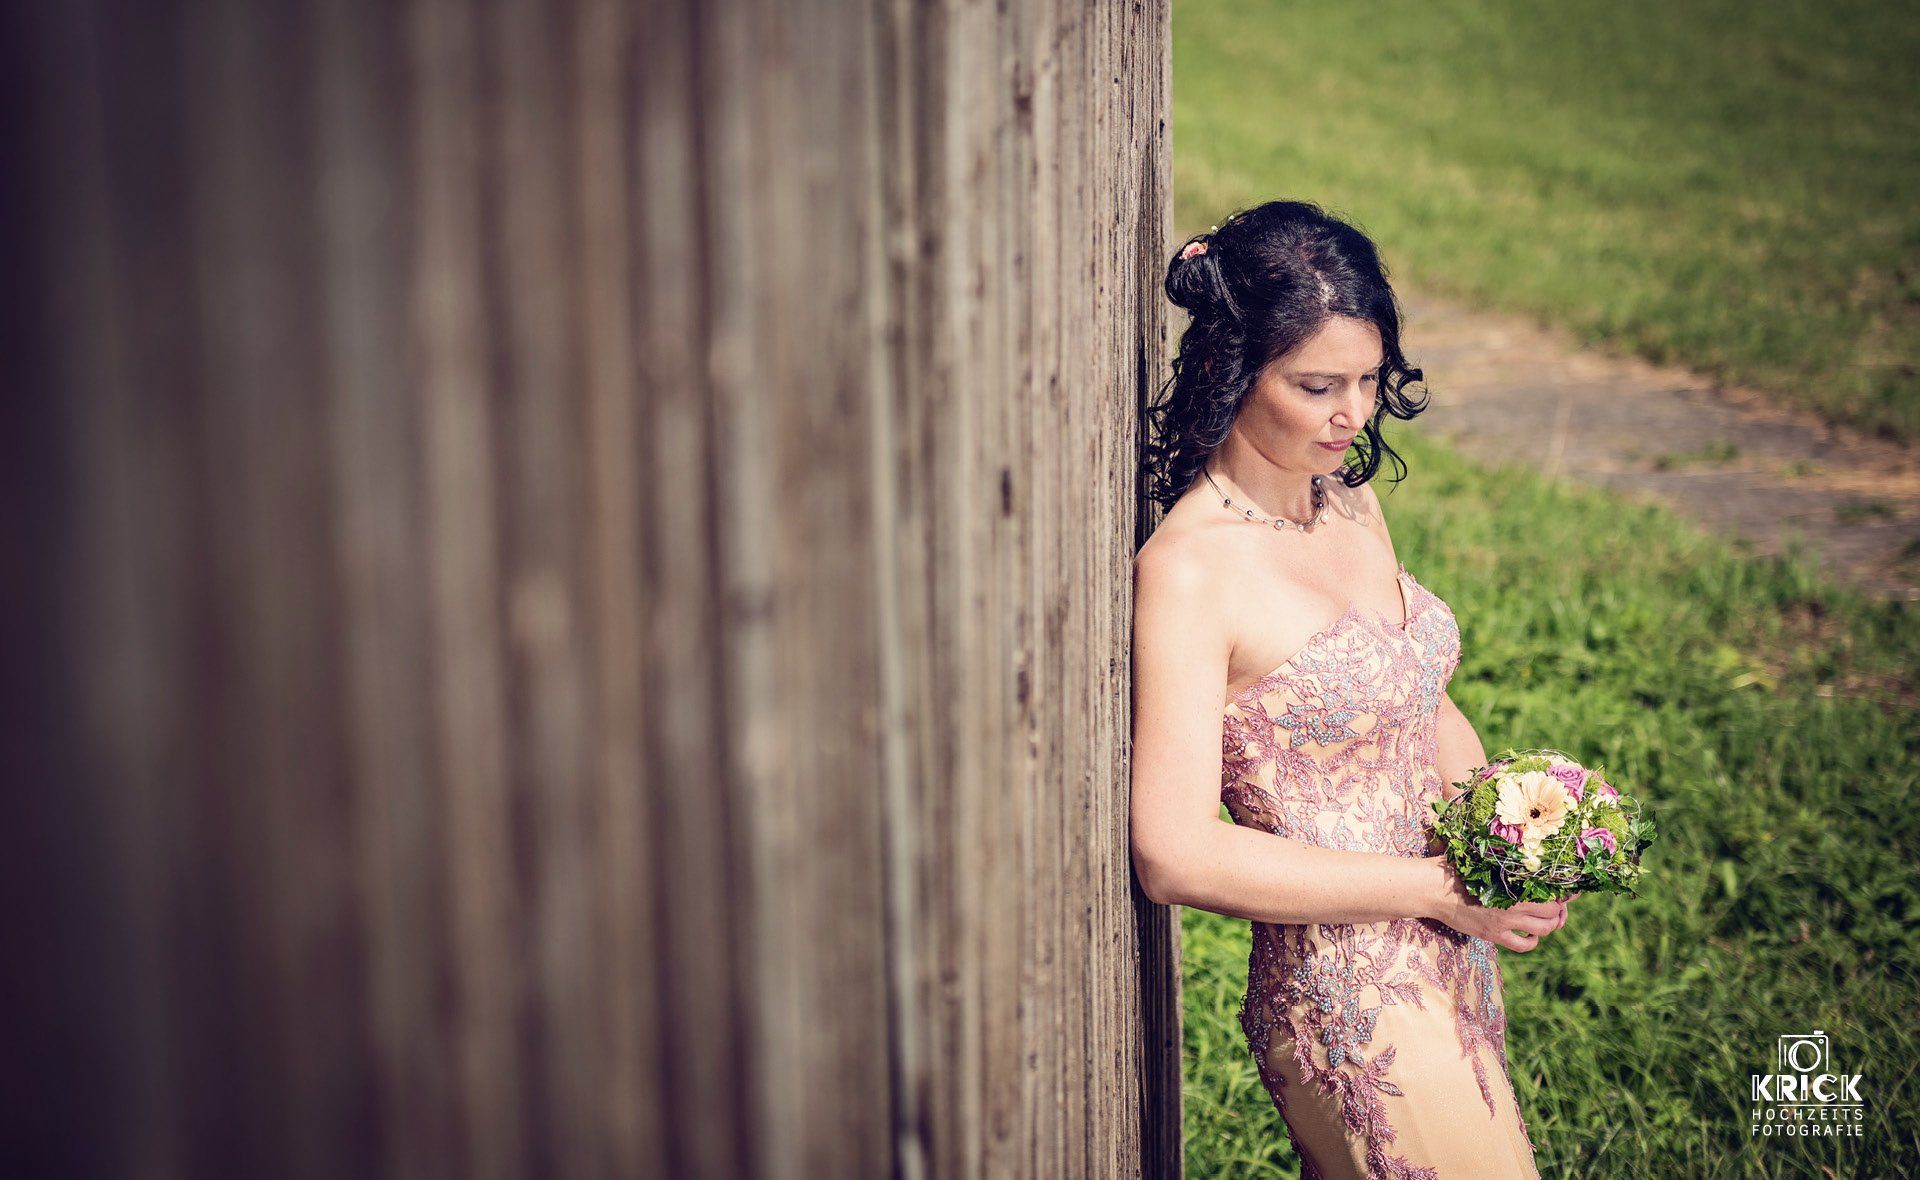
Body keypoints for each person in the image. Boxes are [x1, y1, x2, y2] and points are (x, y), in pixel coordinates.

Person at [1129, 199, 1572, 1180]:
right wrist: (1436, 890)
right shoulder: (1190, 571)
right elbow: (1173, 852)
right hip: (1350, 1001)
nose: (1354, 414)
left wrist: (1514, 843)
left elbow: (1421, 699)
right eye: (1317, 385)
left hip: (1452, 956)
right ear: (1235, 370)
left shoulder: (1349, 502)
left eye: (1369, 378)